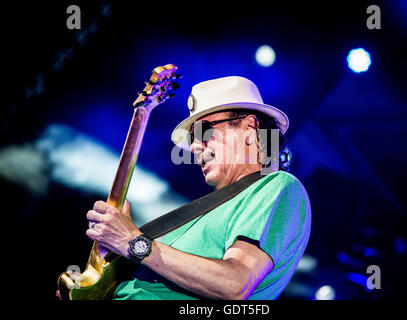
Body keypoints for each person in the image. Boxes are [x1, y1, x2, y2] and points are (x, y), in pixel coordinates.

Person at [60, 76, 311, 300]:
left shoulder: (278, 186)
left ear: (249, 127)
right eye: (191, 139)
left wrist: (131, 241)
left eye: (203, 131)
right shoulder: (211, 212)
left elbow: (234, 284)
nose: (193, 148)